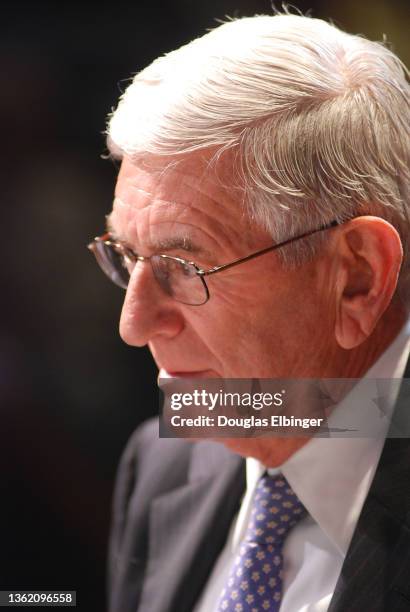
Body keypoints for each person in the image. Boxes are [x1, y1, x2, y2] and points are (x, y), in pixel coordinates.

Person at [88, 13, 410, 612]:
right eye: (127, 256)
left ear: (358, 278)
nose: (133, 325)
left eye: (184, 267)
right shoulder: (165, 462)